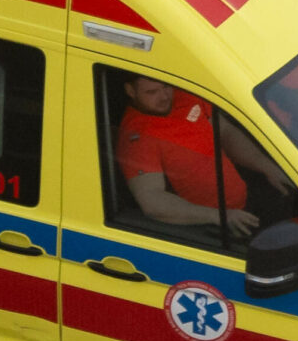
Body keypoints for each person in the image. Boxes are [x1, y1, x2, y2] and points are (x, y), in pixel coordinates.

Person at [116, 76, 285, 241]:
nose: (164, 97)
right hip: (211, 227)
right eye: (152, 92)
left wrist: (266, 166)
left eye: (166, 86)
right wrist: (218, 216)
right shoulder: (137, 138)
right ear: (130, 91)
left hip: (244, 199)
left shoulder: (186, 95)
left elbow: (226, 133)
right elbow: (152, 199)